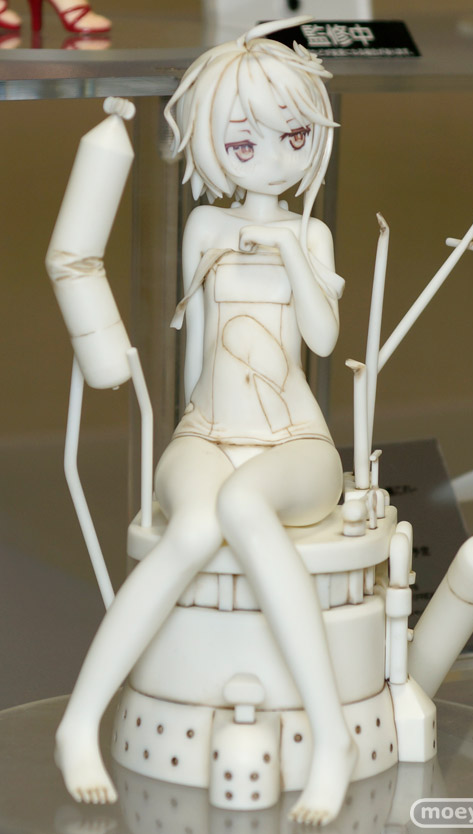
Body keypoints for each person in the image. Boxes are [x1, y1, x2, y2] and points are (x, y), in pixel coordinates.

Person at [55, 19, 357, 826]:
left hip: (295, 442)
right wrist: (195, 432)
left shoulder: (312, 232)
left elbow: (325, 339)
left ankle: (331, 738)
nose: (272, 157)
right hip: (207, 431)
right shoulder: (203, 226)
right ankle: (79, 722)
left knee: (243, 507)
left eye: (293, 135)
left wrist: (291, 253)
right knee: (193, 525)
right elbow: (193, 358)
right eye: (243, 141)